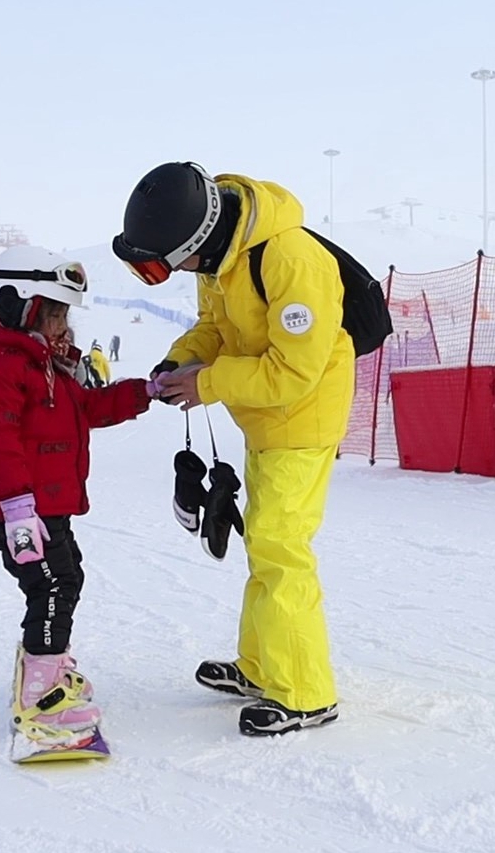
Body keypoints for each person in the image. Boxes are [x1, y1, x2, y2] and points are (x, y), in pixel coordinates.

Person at [112, 161, 354, 737]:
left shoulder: (292, 261)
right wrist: (180, 361)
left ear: (193, 242)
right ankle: (261, 666)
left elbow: (294, 371)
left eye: (168, 264)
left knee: (280, 548)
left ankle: (306, 692)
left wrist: (209, 383)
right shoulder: (219, 258)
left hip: (302, 420)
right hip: (265, 419)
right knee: (263, 544)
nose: (174, 273)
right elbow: (215, 330)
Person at [0, 245, 154, 740]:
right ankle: (40, 700)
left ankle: (46, 667)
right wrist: (18, 508)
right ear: (22, 309)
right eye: (56, 315)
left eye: (66, 315)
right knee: (52, 587)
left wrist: (146, 391)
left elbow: (88, 408)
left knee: (65, 579)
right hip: (20, 511)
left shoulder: (47, 368)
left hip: (45, 508)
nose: (65, 327)